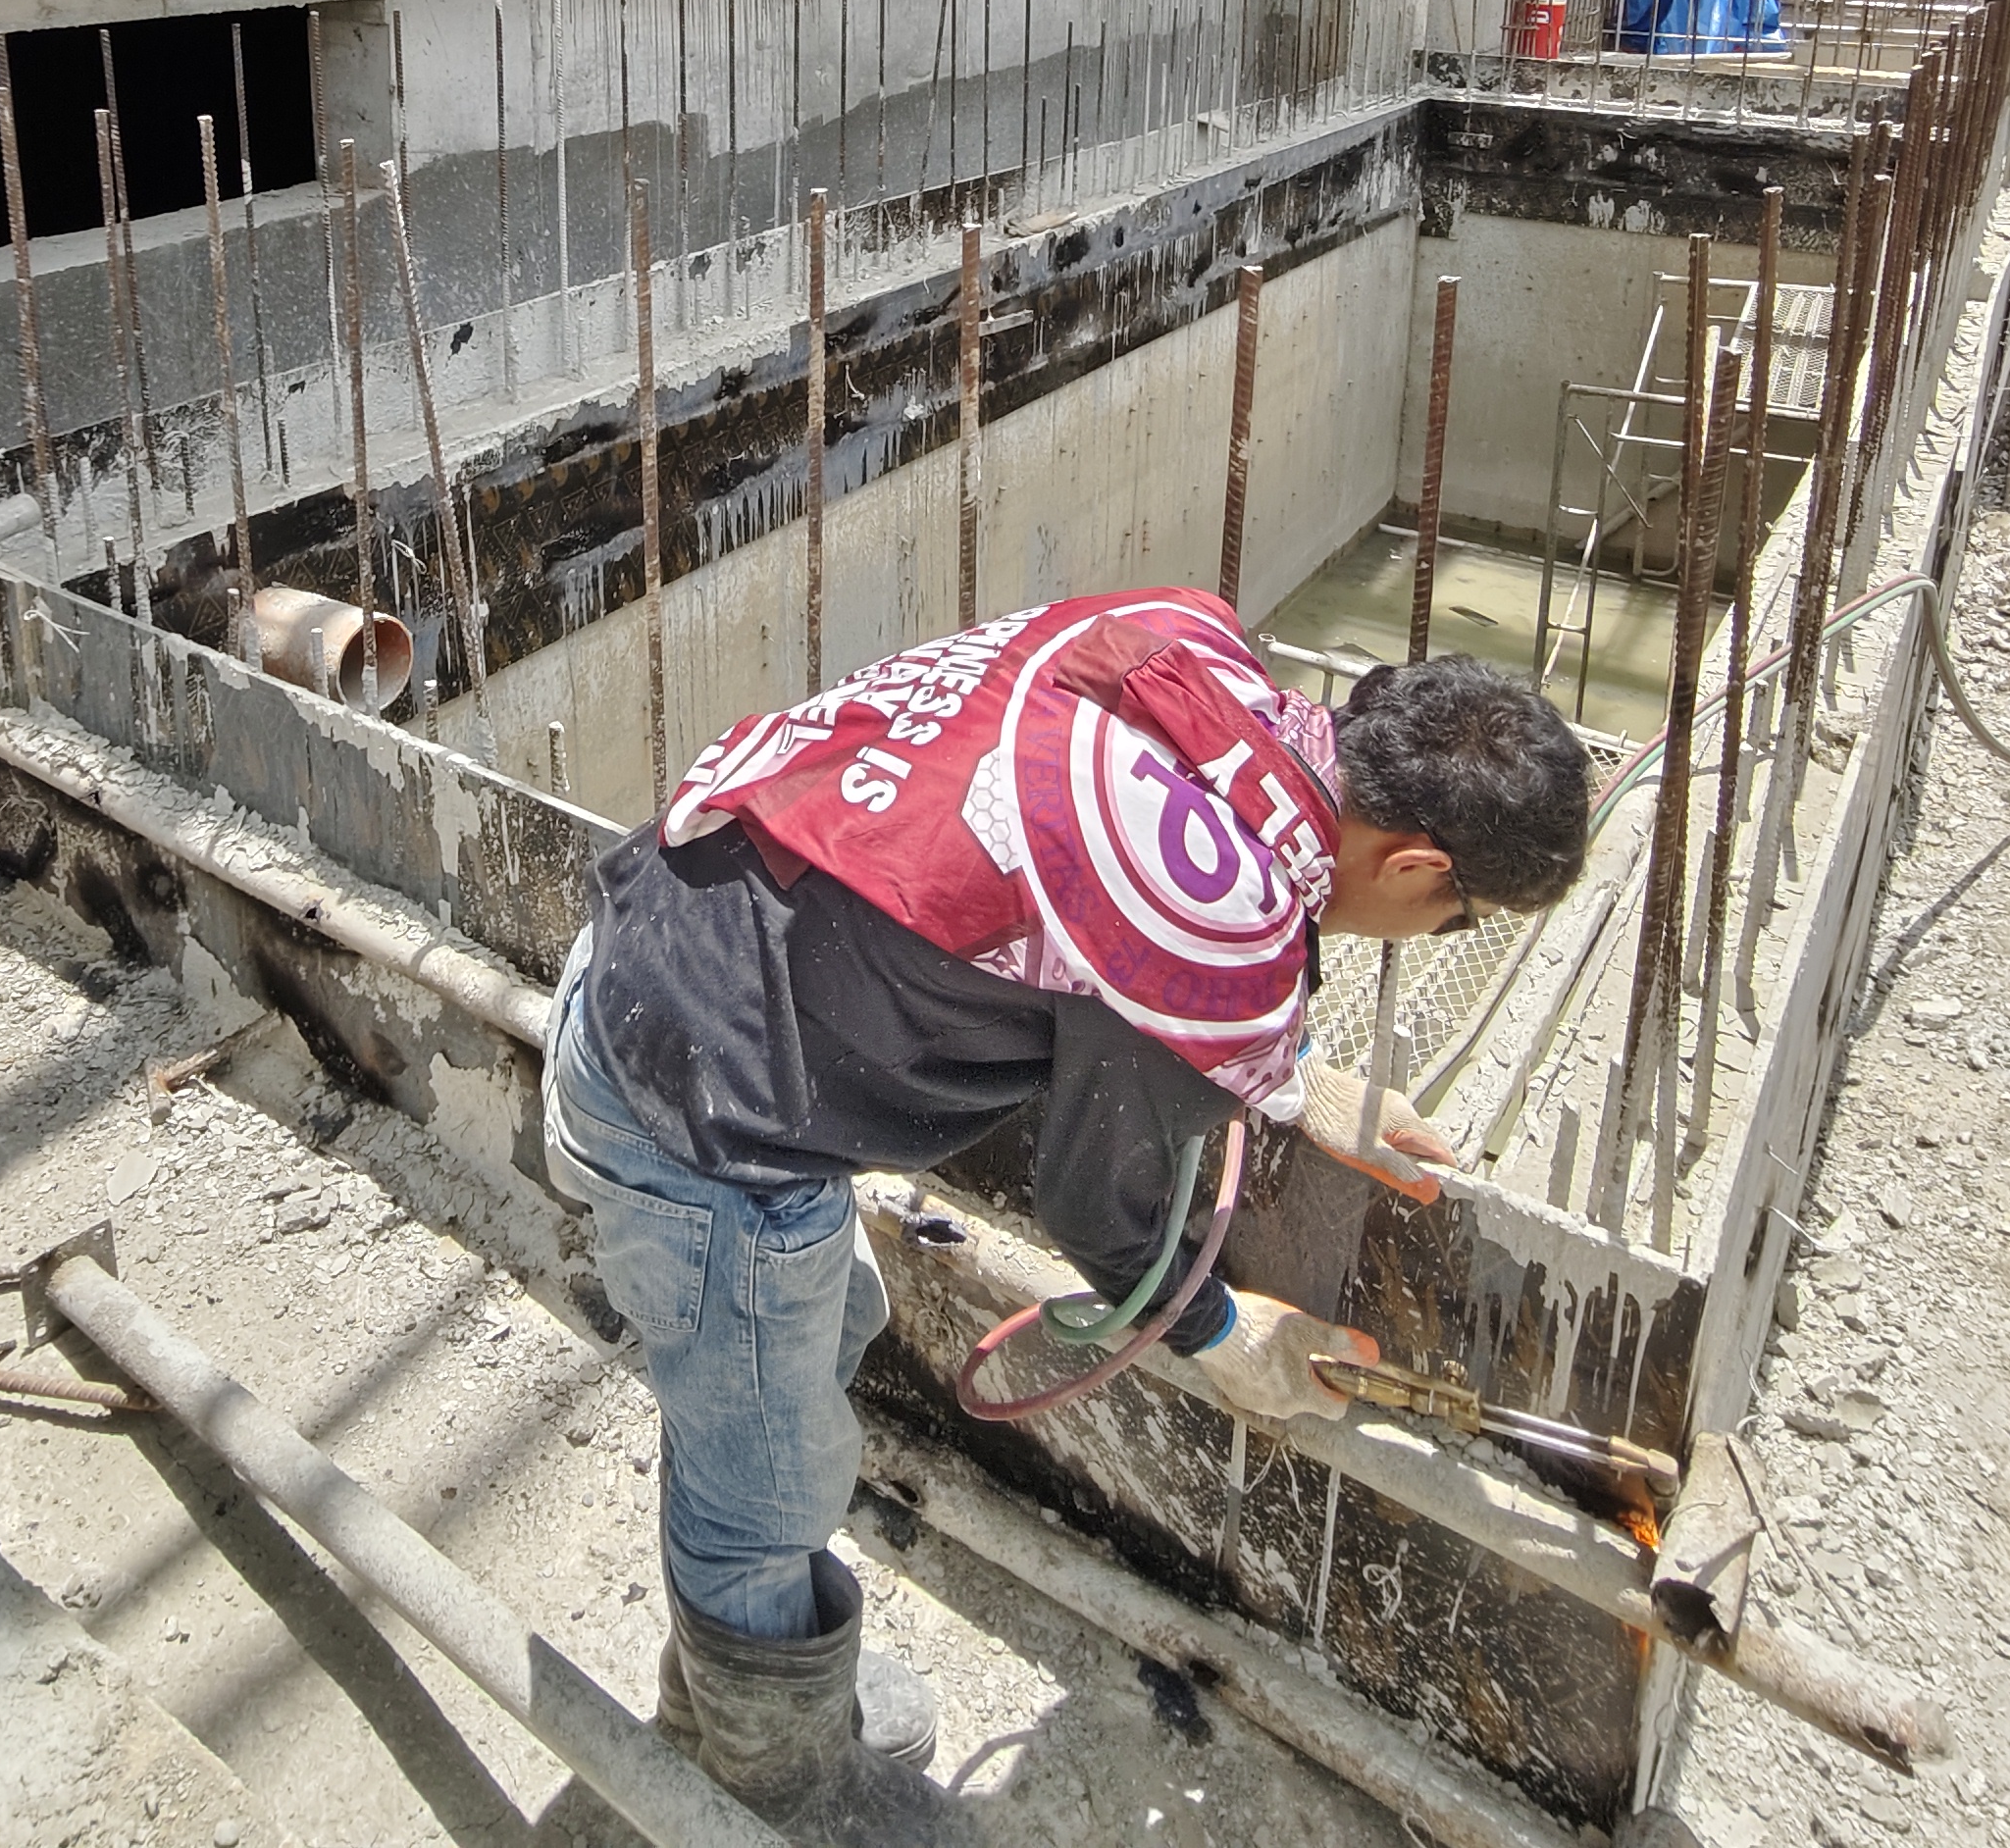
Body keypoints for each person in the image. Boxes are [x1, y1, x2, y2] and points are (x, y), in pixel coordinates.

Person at [543, 586, 1593, 1839]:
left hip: (661, 946)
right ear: (1419, 867)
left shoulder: (1181, 639)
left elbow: (1088, 892)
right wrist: (1213, 1329)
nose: (1437, 927)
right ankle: (786, 1792)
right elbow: (1102, 1213)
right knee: (766, 1489)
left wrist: (1280, 1073)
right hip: (701, 1119)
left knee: (791, 1377)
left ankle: (727, 1714)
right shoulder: (1225, 937)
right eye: (1455, 913)